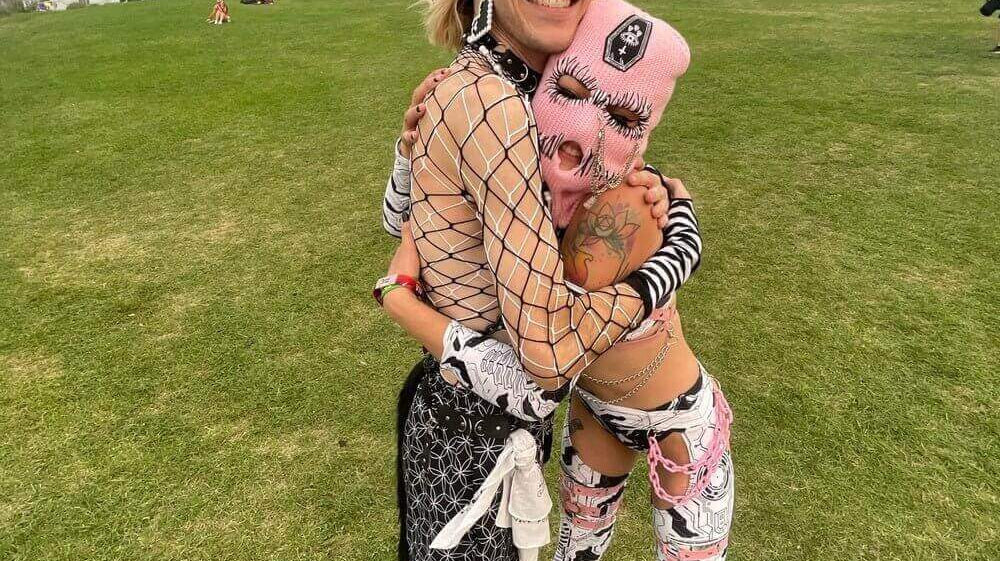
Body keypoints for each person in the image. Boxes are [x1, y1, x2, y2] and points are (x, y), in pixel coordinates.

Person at [380, 1, 733, 560]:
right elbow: (545, 361)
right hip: (488, 435)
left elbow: (405, 221)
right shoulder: (496, 106)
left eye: (623, 118)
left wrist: (410, 152)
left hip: (473, 426)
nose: (584, 132)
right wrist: (676, 255)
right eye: (570, 92)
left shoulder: (490, 96)